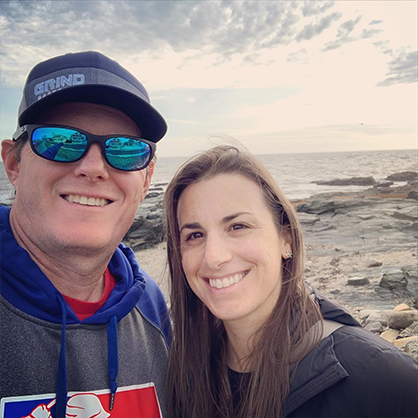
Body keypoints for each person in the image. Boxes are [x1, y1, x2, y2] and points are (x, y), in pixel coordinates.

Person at [164, 145, 418, 418]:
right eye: (194, 235)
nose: (213, 257)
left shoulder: (380, 378)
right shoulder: (185, 373)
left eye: (237, 226)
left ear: (286, 238)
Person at [0, 51, 171, 418]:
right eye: (60, 140)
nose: (93, 168)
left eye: (125, 150)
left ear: (146, 179)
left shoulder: (151, 307)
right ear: (13, 163)